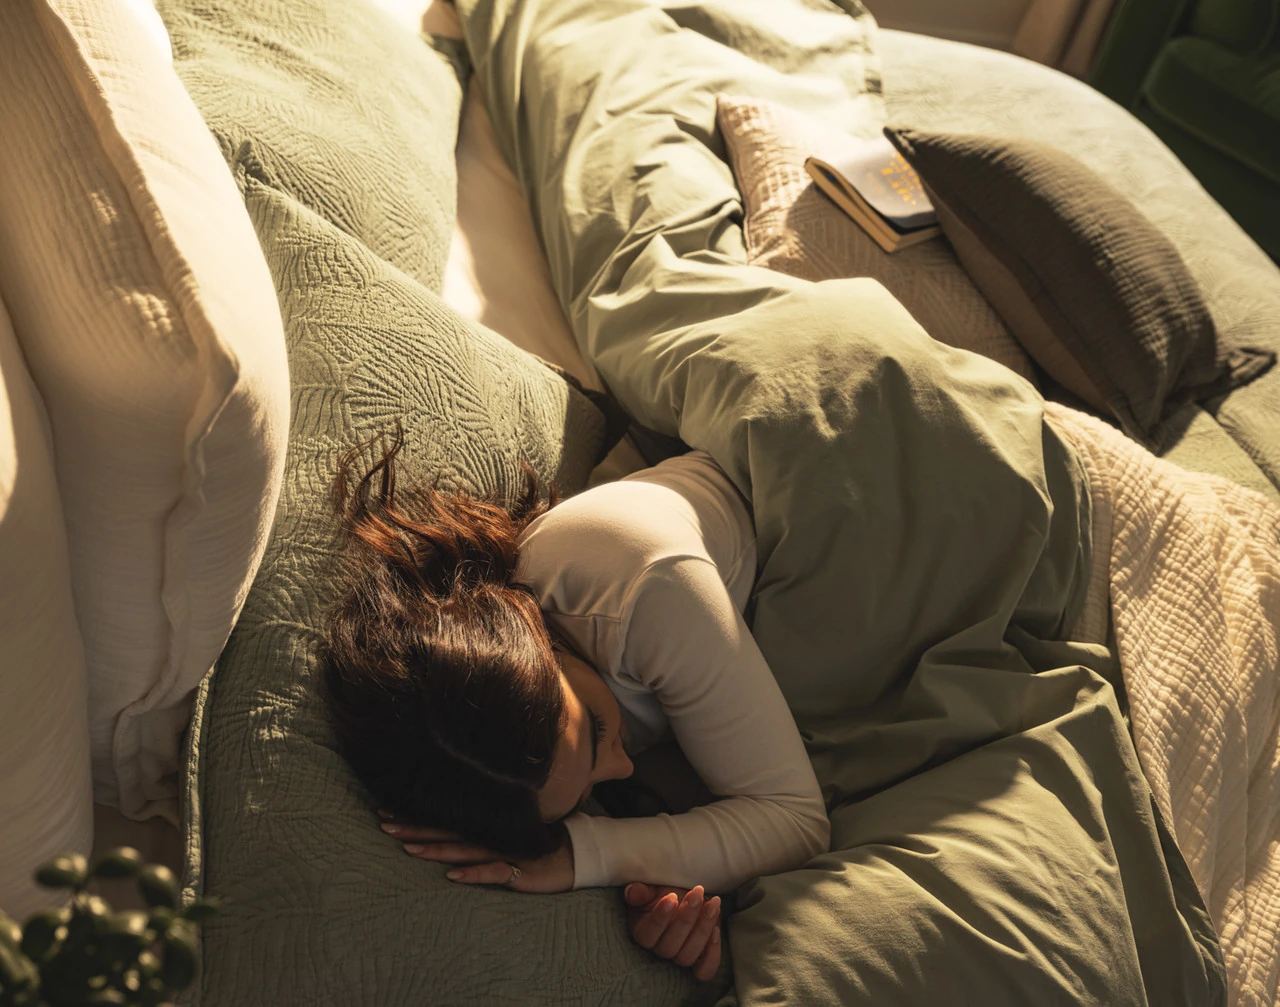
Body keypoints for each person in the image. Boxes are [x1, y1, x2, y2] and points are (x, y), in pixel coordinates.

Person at [321, 431, 830, 982]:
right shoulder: (513, 758)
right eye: (584, 796)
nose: (624, 767)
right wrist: (662, 894)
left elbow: (797, 822)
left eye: (600, 731)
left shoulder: (648, 584)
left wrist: (581, 856)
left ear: (543, 642)